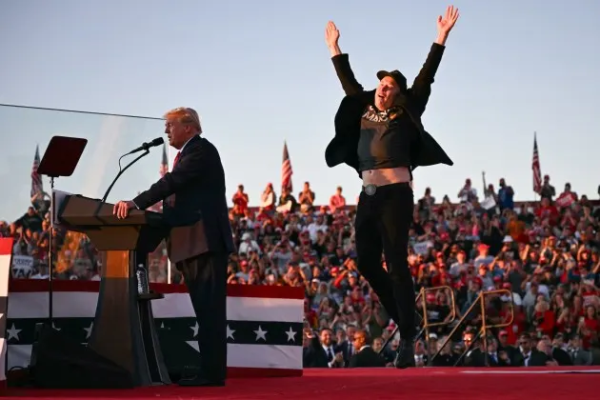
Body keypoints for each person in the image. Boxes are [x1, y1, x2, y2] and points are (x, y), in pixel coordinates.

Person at [323, 6, 459, 368]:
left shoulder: (406, 108)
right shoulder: (363, 106)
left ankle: (408, 340)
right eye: (382, 84)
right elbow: (348, 82)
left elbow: (426, 76)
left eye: (391, 87)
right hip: (368, 195)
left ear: (398, 94)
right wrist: (335, 48)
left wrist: (441, 37)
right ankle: (405, 320)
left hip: (397, 194)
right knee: (366, 261)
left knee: (396, 261)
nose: (384, 89)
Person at [113, 107, 234, 386]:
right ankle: (209, 370)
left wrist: (137, 203)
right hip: (192, 243)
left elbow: (172, 182)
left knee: (209, 312)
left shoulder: (201, 151)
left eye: (170, 125)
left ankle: (212, 374)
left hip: (204, 242)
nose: (166, 131)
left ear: (189, 127)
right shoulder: (188, 154)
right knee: (205, 311)